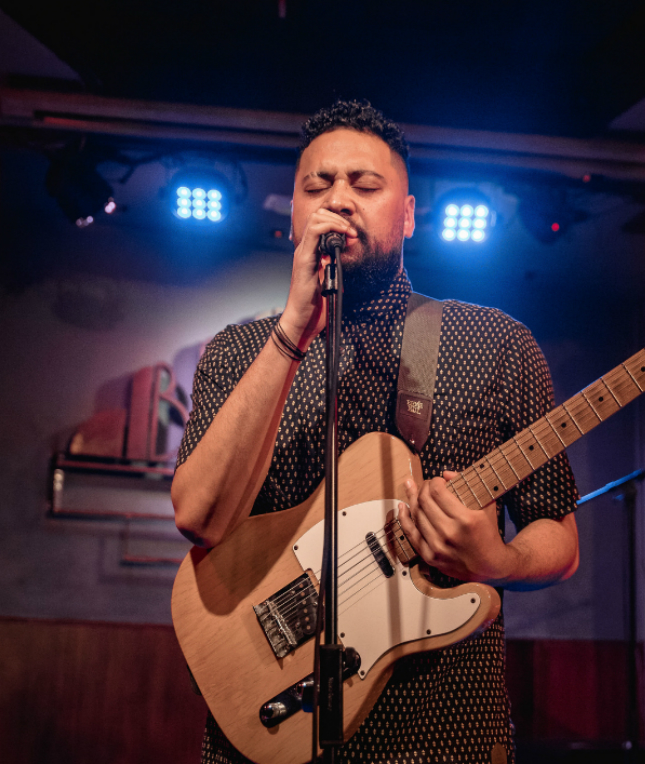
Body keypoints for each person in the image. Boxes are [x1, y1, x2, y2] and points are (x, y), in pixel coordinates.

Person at [172, 100, 580, 764]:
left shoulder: (499, 344)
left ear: (409, 213)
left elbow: (558, 536)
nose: (340, 201)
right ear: (296, 212)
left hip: (443, 733)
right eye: (318, 186)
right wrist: (291, 333)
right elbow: (197, 513)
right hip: (268, 723)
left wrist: (496, 562)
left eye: (365, 185)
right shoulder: (240, 349)